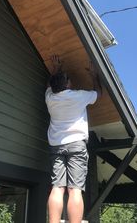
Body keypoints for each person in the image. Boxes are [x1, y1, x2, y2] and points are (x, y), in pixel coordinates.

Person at [45, 55, 102, 223]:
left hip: (56, 145)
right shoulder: (78, 96)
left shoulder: (50, 98)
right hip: (76, 144)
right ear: (68, 84)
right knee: (75, 189)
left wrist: (55, 69)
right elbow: (99, 94)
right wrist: (93, 75)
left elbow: (50, 85)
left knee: (57, 187)